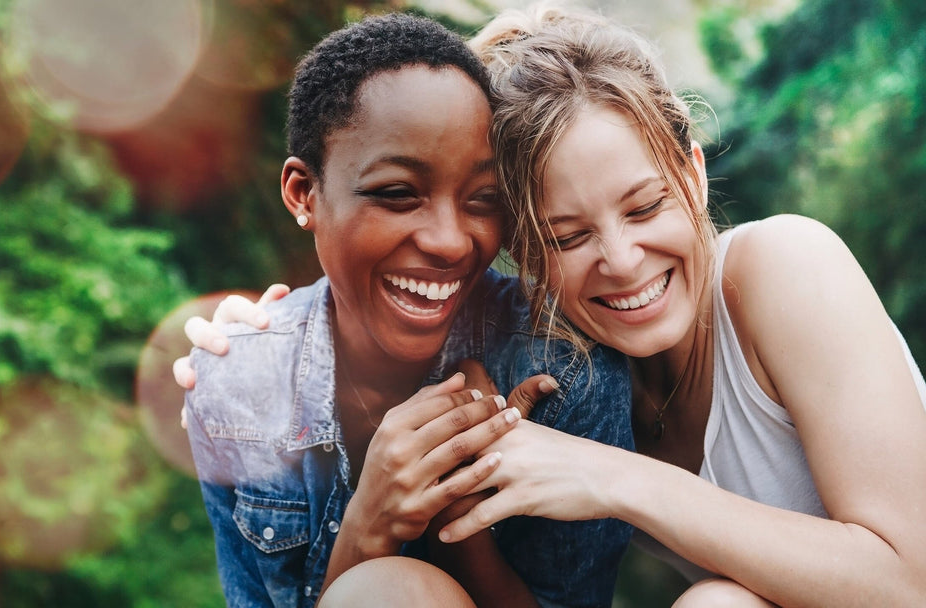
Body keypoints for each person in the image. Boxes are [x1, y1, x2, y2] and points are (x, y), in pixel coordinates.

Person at [426, 4, 926, 607]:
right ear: (525, 253)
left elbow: (908, 581)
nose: (624, 260)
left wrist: (616, 479)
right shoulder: (573, 381)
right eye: (569, 237)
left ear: (692, 173)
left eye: (643, 208)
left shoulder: (786, 265)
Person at [179, 13, 634, 608]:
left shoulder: (563, 371)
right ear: (303, 193)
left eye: (484, 199)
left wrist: (460, 515)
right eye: (397, 194)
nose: (450, 241)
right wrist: (369, 526)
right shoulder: (234, 388)